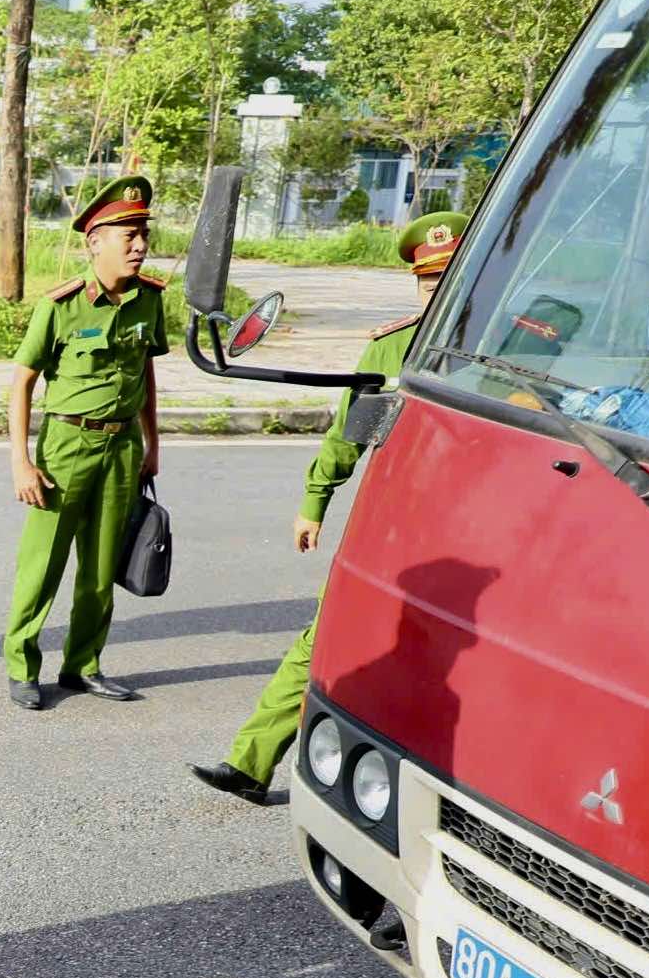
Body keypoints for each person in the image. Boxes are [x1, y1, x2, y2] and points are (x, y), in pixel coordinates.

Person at [191, 210, 469, 805]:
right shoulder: (390, 347)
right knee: (325, 634)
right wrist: (314, 502)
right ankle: (249, 763)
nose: (437, 294)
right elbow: (349, 433)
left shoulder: (515, 347)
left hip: (480, 539)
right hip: (397, 532)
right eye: (427, 282)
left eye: (449, 279)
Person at [2, 175, 168, 710]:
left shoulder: (149, 301)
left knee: (99, 570)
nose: (139, 245)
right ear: (95, 242)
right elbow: (22, 381)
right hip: (67, 446)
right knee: (43, 566)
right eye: (128, 235)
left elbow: (145, 373)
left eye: (143, 234)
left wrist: (152, 443)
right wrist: (21, 462)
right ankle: (21, 666)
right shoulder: (62, 307)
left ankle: (83, 665)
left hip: (121, 451)